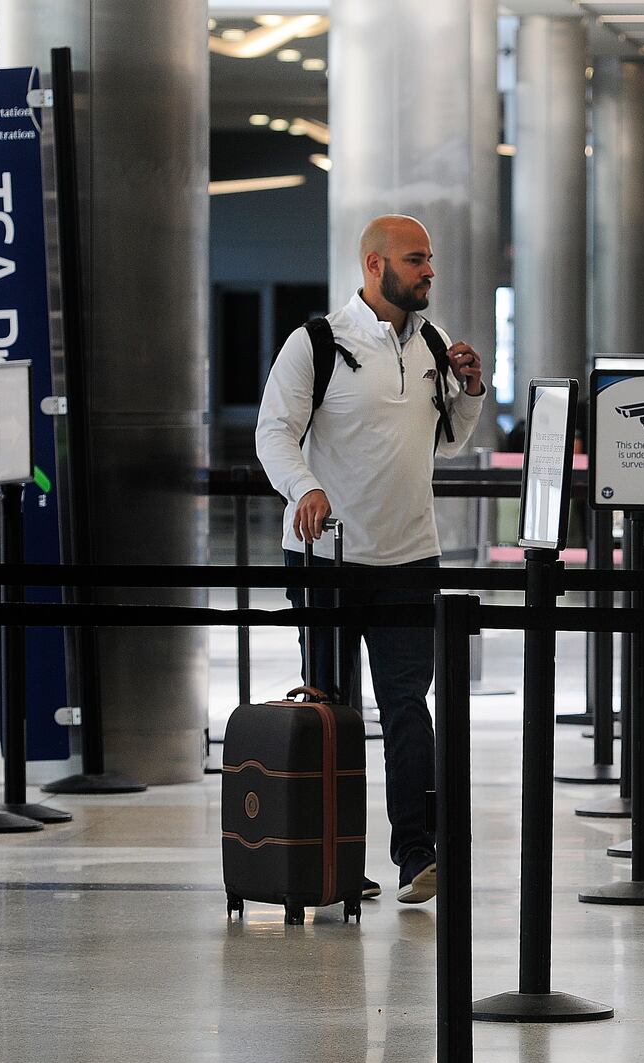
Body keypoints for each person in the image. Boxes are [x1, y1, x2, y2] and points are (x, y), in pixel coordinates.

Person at [255, 214, 487, 904]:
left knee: (408, 708)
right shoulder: (317, 343)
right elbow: (274, 434)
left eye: (431, 260)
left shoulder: (435, 345)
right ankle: (335, 860)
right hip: (327, 558)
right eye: (417, 260)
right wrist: (307, 487)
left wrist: (470, 393)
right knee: (334, 711)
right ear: (375, 266)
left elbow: (449, 443)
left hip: (412, 556)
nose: (430, 272)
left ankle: (417, 855)